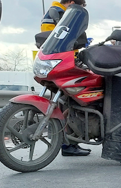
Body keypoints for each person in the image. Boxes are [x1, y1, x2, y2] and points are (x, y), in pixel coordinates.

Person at [40, 0, 92, 157]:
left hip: (55, 62)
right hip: (61, 63)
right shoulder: (58, 13)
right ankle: (68, 143)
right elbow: (57, 38)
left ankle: (68, 142)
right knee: (70, 102)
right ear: (70, 2)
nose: (79, 9)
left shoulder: (55, 11)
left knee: (63, 103)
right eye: (79, 6)